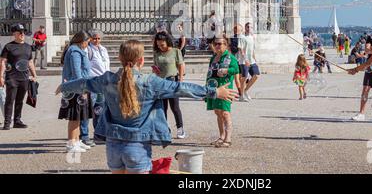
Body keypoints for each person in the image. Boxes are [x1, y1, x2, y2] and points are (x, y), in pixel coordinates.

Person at [56, 40, 237, 174]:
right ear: (141, 60)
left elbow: (84, 83)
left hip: (113, 145)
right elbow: (180, 88)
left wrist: (64, 86)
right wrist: (213, 91)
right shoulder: (151, 82)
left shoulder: (106, 80)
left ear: (119, 58)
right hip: (138, 146)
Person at [58, 31, 94, 153]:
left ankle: (77, 141)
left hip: (79, 87)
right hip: (75, 89)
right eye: (87, 42)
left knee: (79, 117)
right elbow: (76, 72)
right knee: (74, 117)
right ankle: (71, 143)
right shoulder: (75, 52)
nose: (88, 45)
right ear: (82, 41)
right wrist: (82, 88)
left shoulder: (77, 50)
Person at [0, 24, 37, 130]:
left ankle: (17, 121)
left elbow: (30, 62)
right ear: (14, 34)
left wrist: (34, 74)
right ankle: (7, 123)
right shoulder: (8, 46)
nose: (22, 34)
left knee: (20, 100)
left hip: (24, 78)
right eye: (19, 32)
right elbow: (2, 62)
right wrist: (1, 76)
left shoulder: (27, 47)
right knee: (9, 100)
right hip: (12, 78)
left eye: (23, 32)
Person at [206, 36, 240, 148]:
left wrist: (227, 70)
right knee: (217, 112)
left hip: (225, 89)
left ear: (226, 45)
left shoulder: (230, 57)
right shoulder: (214, 57)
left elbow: (236, 69)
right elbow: (209, 73)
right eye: (215, 44)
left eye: (220, 44)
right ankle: (221, 136)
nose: (217, 46)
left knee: (225, 113)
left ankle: (228, 138)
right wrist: (206, 89)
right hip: (213, 88)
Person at [153, 32, 186, 139]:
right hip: (161, 82)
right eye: (158, 45)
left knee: (175, 107)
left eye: (162, 45)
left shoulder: (175, 51)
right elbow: (156, 67)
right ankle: (165, 129)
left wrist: (180, 80)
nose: (160, 47)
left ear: (167, 42)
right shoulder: (157, 53)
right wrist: (155, 70)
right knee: (163, 108)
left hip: (172, 80)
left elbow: (180, 66)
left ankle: (180, 128)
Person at [80, 29, 110, 147]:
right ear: (90, 39)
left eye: (98, 38)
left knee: (100, 108)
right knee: (89, 108)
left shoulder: (103, 49)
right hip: (93, 81)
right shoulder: (88, 50)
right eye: (94, 38)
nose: (96, 40)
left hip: (103, 82)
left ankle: (99, 133)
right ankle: (83, 134)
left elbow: (106, 65)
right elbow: (86, 66)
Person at [238, 22, 260, 102]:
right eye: (247, 27)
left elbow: (253, 50)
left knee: (256, 75)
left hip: (252, 60)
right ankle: (242, 96)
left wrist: (255, 60)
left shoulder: (252, 37)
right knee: (244, 78)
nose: (249, 28)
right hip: (244, 61)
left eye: (250, 27)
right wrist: (245, 59)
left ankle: (245, 91)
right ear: (245, 27)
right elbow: (241, 50)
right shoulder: (242, 37)